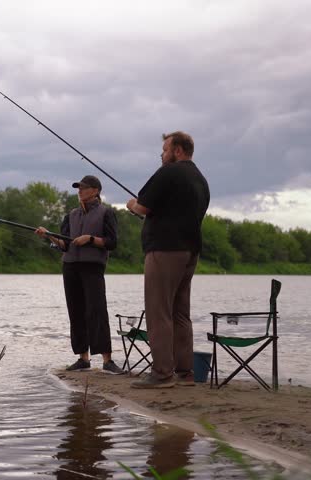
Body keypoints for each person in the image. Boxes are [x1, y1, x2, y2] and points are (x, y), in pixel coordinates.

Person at [126, 131, 210, 388]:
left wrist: (130, 205)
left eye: (164, 150)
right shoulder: (201, 180)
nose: (161, 155)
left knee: (158, 311)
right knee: (180, 313)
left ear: (177, 151)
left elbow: (142, 207)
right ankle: (185, 373)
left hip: (164, 250)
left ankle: (162, 374)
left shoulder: (169, 172)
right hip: (190, 252)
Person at [35, 175, 125, 374]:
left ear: (95, 190)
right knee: (76, 312)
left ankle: (107, 360)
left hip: (93, 267)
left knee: (97, 311)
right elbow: (64, 245)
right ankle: (83, 358)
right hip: (70, 267)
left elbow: (112, 242)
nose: (80, 191)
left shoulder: (106, 213)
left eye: (83, 188)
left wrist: (90, 239)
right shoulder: (71, 215)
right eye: (78, 188)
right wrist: (48, 235)